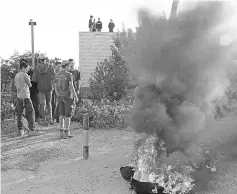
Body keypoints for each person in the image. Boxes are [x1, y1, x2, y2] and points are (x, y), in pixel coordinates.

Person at [54, 60, 78, 138]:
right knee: (67, 115)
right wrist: (75, 96)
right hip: (67, 96)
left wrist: (57, 94)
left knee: (61, 114)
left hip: (60, 96)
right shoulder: (69, 74)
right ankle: (66, 132)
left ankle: (61, 131)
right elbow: (71, 86)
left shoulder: (57, 74)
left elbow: (55, 85)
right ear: (67, 66)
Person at [14, 59, 37, 136]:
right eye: (27, 68)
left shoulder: (17, 75)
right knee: (31, 112)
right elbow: (30, 85)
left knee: (19, 114)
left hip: (19, 96)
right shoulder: (25, 75)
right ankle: (32, 129)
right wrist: (29, 79)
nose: (28, 69)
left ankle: (20, 130)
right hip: (26, 96)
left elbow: (16, 85)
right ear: (23, 68)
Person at [33, 53, 55, 126]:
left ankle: (44, 119)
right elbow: (54, 77)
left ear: (39, 60)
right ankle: (51, 119)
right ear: (45, 59)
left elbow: (34, 80)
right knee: (49, 103)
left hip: (41, 88)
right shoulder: (50, 67)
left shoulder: (36, 68)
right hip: (49, 87)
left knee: (42, 104)